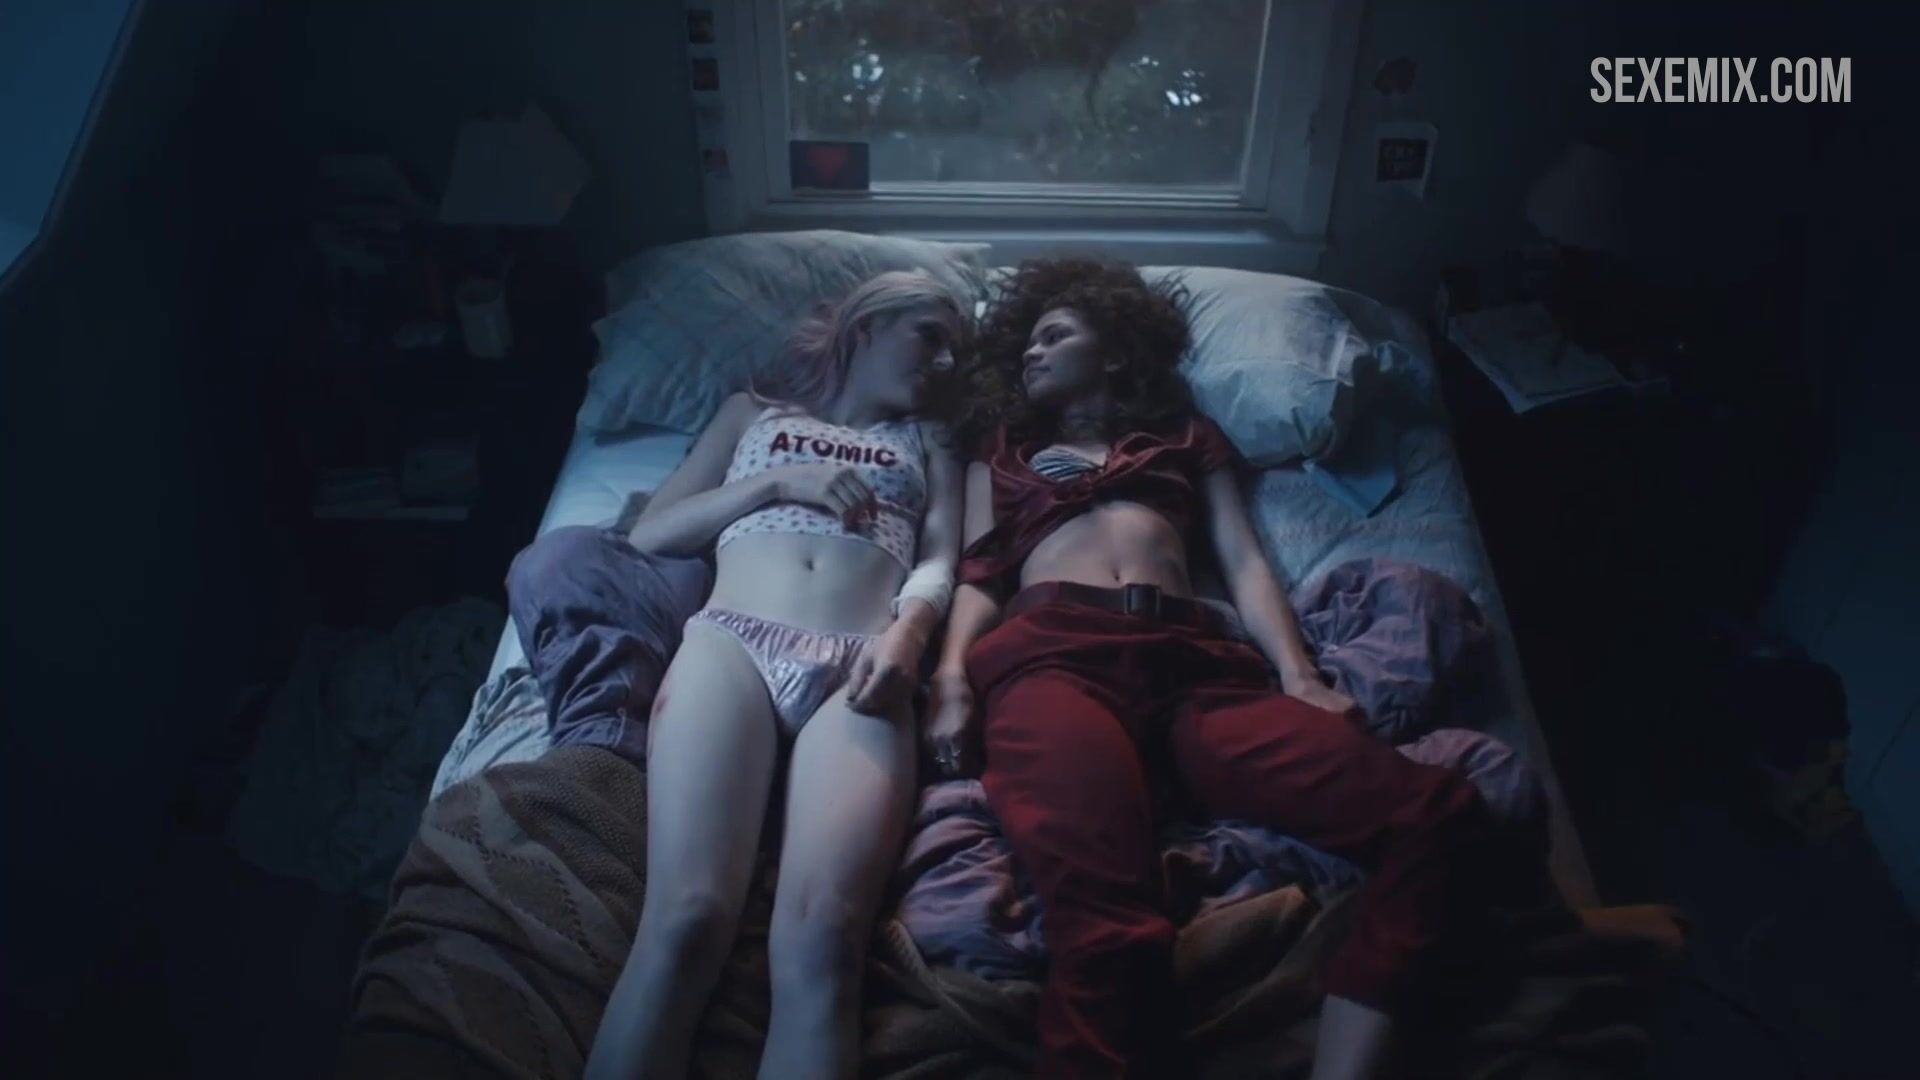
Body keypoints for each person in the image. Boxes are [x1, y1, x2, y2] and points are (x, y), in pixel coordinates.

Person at [923, 257, 1502, 1080]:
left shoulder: (1186, 437)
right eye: (1027, 345)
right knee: (1107, 927)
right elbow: (981, 574)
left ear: (1113, 352)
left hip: (1196, 664)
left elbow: (1244, 560)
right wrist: (951, 680)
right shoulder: (1005, 452)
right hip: (1053, 661)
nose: (1032, 354)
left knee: (1437, 815)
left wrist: (1299, 675)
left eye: (1054, 336)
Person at [582, 270, 968, 1080]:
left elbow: (941, 557)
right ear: (868, 325)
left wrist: (910, 633)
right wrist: (777, 482)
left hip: (861, 660)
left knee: (825, 939)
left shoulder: (929, 438)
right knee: (686, 919)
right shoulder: (752, 415)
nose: (944, 362)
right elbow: (653, 533)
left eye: (954, 350)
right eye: (930, 336)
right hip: (734, 644)